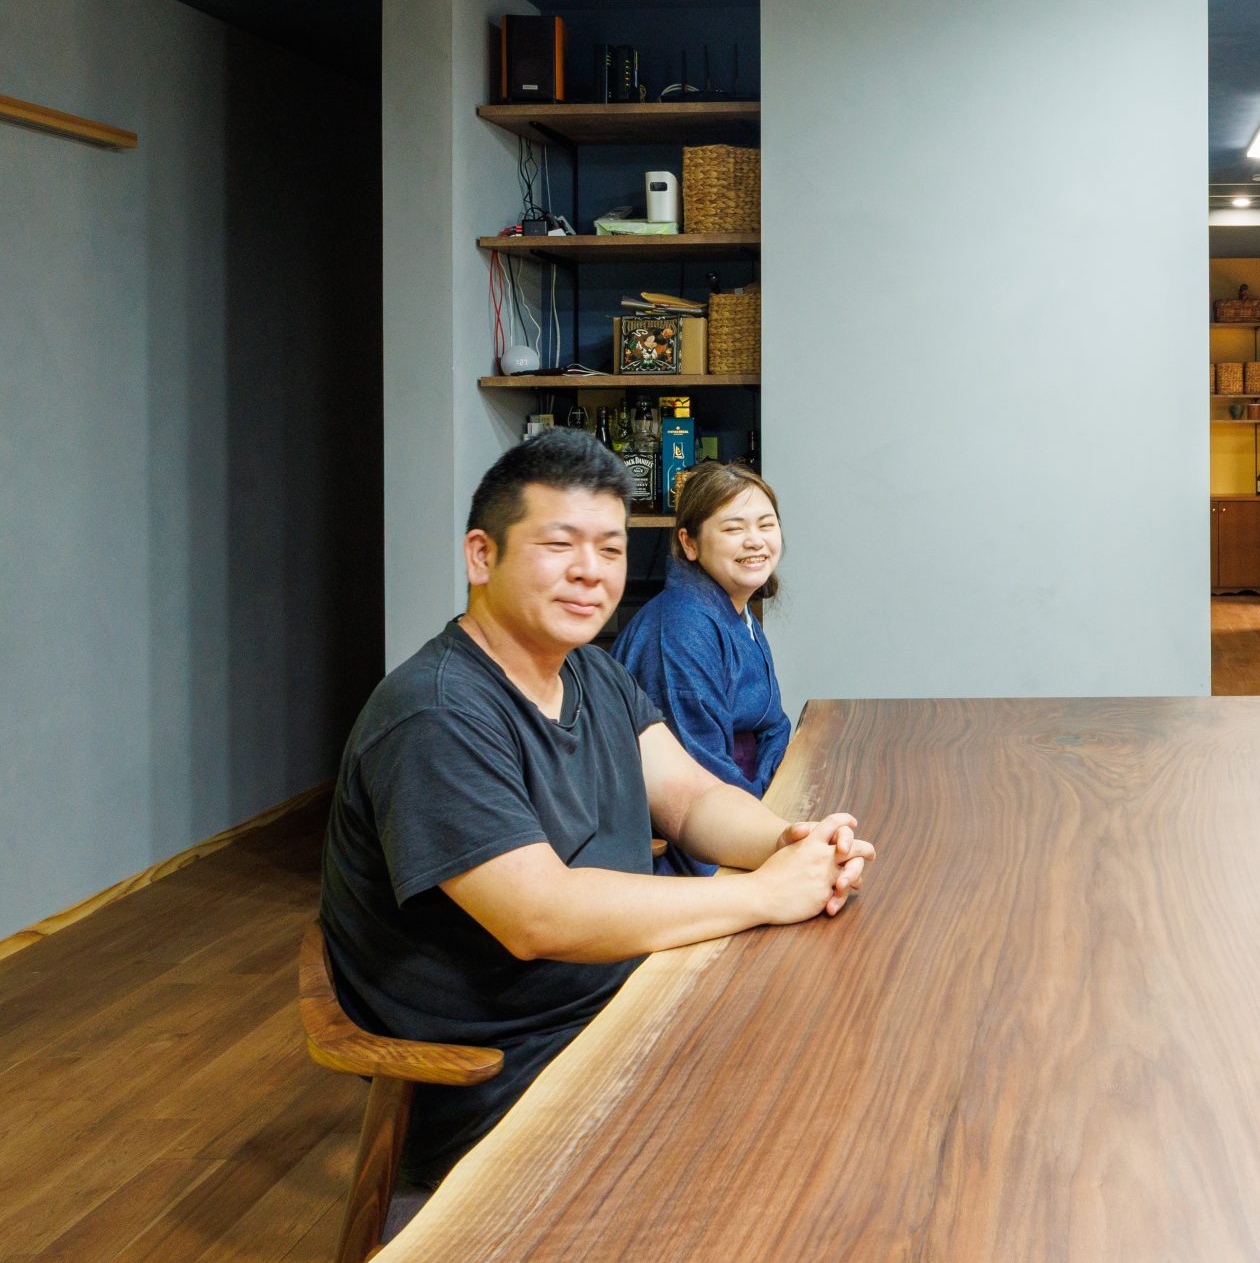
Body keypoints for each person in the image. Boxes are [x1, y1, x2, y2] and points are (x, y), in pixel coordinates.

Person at [318, 430, 875, 1194]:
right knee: (802, 1134)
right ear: (481, 556)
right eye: (559, 544)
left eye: (611, 548)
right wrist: (763, 892)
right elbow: (538, 913)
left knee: (845, 1062)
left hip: (622, 999)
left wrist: (789, 840)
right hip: (509, 1073)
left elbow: (691, 798)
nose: (591, 569)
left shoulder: (591, 671)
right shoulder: (436, 712)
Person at [614, 461, 791, 874]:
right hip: (700, 842)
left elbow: (775, 724)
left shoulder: (736, 611)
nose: (755, 540)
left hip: (754, 804)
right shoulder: (680, 628)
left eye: (766, 525)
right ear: (689, 543)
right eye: (733, 528)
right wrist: (767, 835)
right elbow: (698, 779)